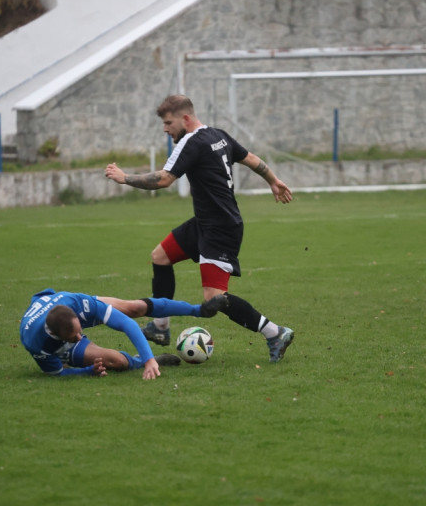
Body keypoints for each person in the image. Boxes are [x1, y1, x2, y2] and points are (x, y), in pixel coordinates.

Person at [104, 94, 295, 363]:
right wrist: (273, 180)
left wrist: (125, 178)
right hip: (205, 223)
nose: (165, 128)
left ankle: (275, 332)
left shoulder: (190, 142)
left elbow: (164, 179)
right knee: (160, 256)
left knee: (214, 299)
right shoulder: (219, 135)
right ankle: (160, 327)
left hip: (220, 229)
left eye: (168, 123)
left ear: (185, 118)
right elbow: (251, 159)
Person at [20, 288, 228, 379]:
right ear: (58, 336)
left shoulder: (77, 304)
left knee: (133, 308)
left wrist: (148, 360)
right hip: (52, 338)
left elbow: (127, 323)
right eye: (74, 337)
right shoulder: (37, 344)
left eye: (79, 331)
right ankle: (149, 360)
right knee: (117, 361)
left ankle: (200, 310)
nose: (80, 336)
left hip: (63, 305)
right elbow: (56, 374)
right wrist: (86, 372)